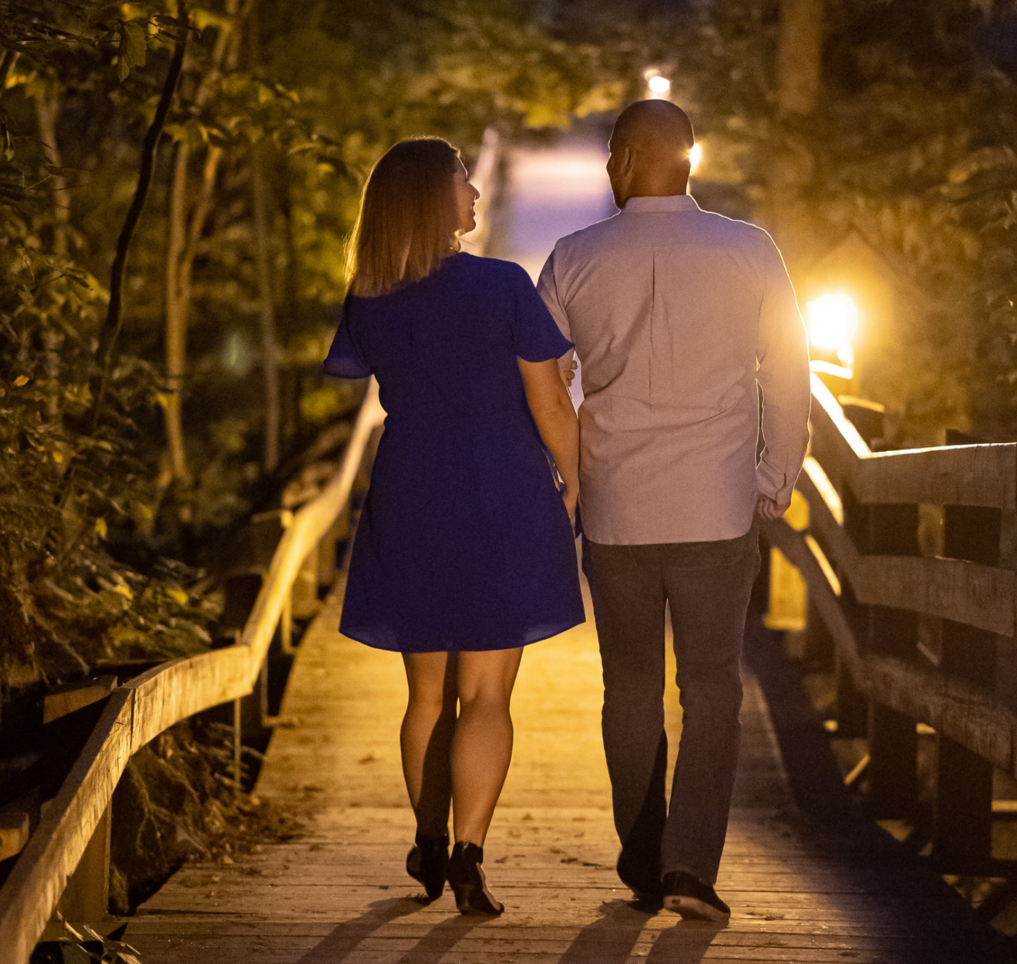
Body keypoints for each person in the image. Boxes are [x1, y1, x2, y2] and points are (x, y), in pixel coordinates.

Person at [537, 101, 811, 922]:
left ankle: (642, 859)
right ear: (689, 160)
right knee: (714, 691)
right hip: (716, 506)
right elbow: (790, 371)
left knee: (629, 690)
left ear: (622, 160)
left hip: (616, 507)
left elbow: (542, 379)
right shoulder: (748, 249)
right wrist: (777, 470)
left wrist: (566, 477)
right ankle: (689, 866)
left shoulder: (575, 257)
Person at [323, 137, 584, 917]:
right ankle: (469, 852)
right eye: (464, 181)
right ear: (437, 198)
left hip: (411, 494)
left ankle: (427, 840)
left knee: (427, 698)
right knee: (489, 697)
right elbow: (549, 404)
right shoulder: (503, 286)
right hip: (501, 491)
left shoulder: (366, 299)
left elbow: (367, 382)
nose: (474, 193)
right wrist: (575, 483)